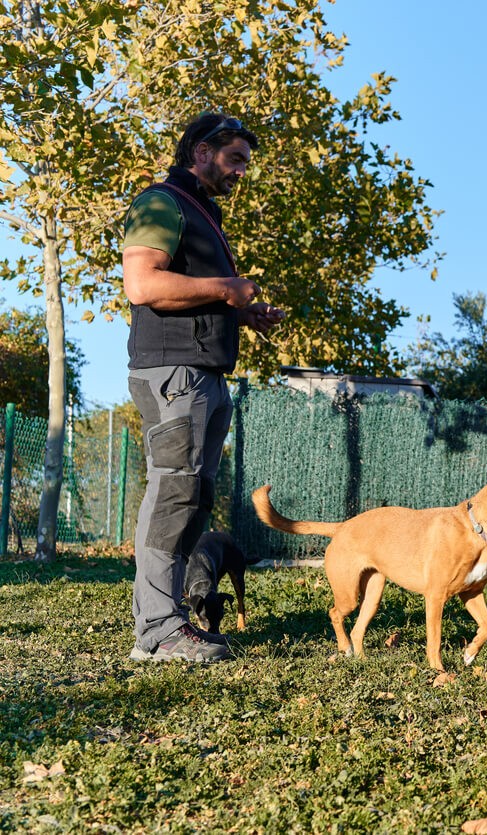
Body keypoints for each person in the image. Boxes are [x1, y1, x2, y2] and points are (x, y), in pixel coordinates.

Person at [122, 112, 285, 663]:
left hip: (205, 373)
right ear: (200, 152)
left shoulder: (201, 213)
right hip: (173, 373)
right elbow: (143, 284)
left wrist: (240, 312)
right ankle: (158, 632)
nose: (242, 171)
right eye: (235, 158)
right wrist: (226, 286)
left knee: (194, 500)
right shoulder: (161, 201)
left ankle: (171, 621)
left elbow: (190, 294)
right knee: (173, 495)